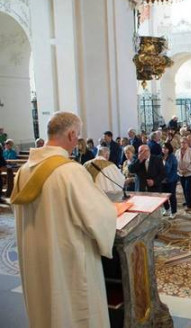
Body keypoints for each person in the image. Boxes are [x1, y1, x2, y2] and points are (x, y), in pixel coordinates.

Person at [11, 111, 116, 328]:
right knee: (73, 311)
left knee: (45, 311)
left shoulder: (23, 171)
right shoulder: (69, 172)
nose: (77, 142)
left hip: (35, 260)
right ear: (70, 134)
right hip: (67, 261)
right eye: (77, 136)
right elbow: (99, 217)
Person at [161, 143, 178, 218]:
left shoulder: (172, 157)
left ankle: (174, 211)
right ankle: (167, 209)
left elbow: (168, 169)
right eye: (163, 148)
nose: (164, 149)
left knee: (171, 196)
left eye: (166, 148)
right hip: (162, 179)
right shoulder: (161, 156)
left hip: (171, 179)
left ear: (169, 149)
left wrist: (164, 162)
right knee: (163, 196)